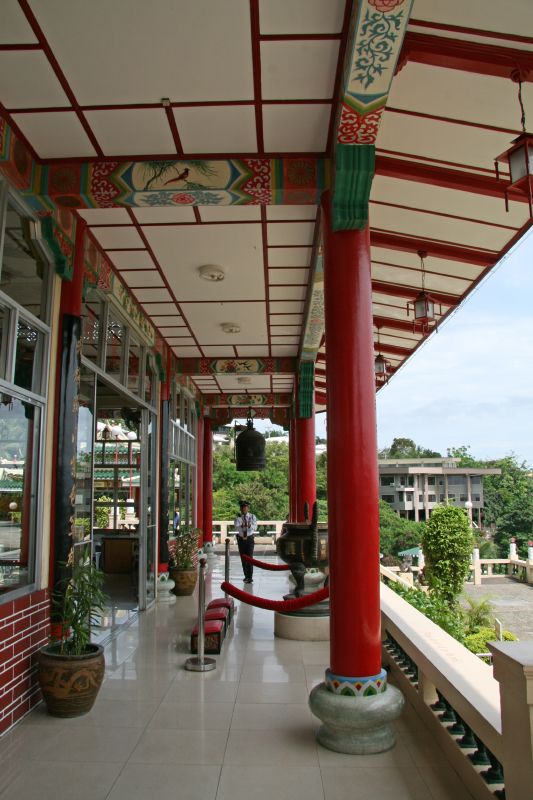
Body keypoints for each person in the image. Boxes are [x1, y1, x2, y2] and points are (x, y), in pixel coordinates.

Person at [234, 500, 258, 583]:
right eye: (242, 507)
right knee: (243, 558)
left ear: (248, 508)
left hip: (249, 539)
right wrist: (243, 525)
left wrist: (249, 525)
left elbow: (255, 527)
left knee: (250, 557)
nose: (243, 509)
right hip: (241, 539)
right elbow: (236, 527)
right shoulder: (238, 518)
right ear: (240, 508)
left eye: (245, 507)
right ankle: (246, 576)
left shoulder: (252, 516)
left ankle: (250, 576)